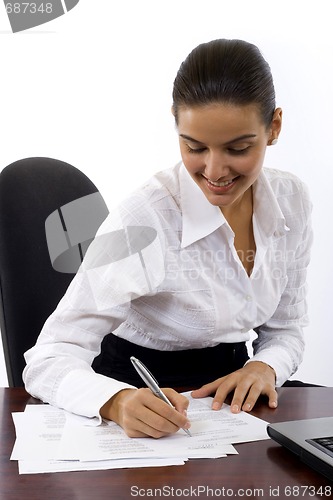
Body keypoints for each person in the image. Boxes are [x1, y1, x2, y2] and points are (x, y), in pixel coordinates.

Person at [23, 38, 312, 439]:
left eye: (238, 148)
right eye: (194, 147)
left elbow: (285, 330)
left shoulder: (291, 200)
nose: (215, 170)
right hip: (141, 392)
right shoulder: (144, 219)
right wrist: (114, 401)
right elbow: (48, 357)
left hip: (233, 398)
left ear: (274, 127)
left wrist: (265, 366)